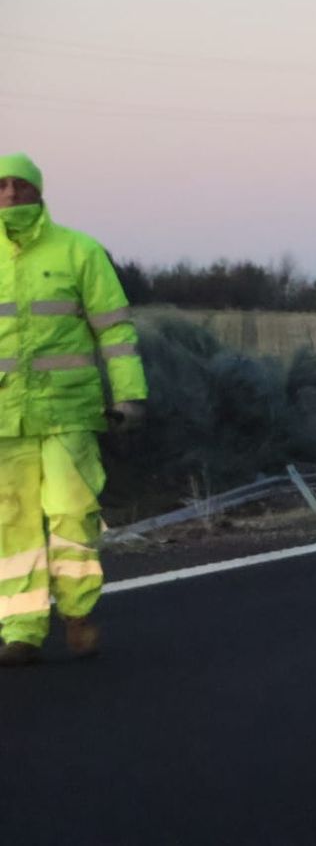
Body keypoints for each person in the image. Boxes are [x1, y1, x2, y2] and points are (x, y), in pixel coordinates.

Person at [0, 153, 146, 667]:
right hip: (4, 421)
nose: (11, 195)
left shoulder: (78, 251)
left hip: (68, 412)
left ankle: (78, 613)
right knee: (10, 524)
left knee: (71, 513)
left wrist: (129, 396)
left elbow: (115, 330)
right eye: (2, 186)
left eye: (21, 186)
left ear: (39, 192)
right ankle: (20, 630)